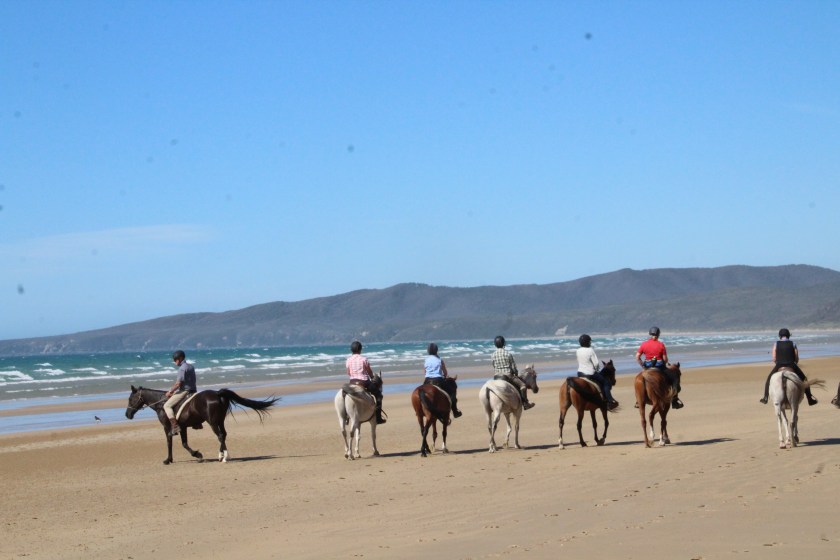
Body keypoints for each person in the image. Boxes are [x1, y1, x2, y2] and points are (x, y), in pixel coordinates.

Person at [759, 328, 817, 406]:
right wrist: (794, 363)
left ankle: (765, 398)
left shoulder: (776, 344)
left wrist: (778, 363)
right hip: (791, 365)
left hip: (779, 365)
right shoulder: (793, 344)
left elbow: (774, 358)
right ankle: (810, 399)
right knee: (805, 380)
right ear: (788, 335)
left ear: (780, 336)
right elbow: (796, 358)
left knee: (769, 379)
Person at [635, 326, 683, 409]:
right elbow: (665, 359)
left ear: (650, 334)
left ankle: (638, 400)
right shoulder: (661, 345)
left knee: (638, 379)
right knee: (674, 378)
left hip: (647, 366)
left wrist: (642, 365)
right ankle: (674, 400)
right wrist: (665, 363)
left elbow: (637, 357)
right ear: (658, 334)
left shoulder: (644, 344)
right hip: (659, 366)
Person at [346, 340, 386, 424]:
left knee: (345, 396)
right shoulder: (364, 359)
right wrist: (372, 378)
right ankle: (378, 418)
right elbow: (369, 373)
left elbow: (348, 373)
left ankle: (346, 417)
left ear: (351, 350)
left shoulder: (348, 360)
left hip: (352, 382)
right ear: (360, 349)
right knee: (379, 395)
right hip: (364, 382)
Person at [576, 334, 619, 410]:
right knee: (605, 382)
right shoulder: (590, 350)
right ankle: (610, 400)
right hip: (590, 373)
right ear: (587, 342)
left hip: (580, 373)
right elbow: (596, 363)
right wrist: (597, 370)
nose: (590, 343)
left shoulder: (578, 351)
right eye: (589, 341)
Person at [491, 335, 535, 410]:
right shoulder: (508, 354)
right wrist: (515, 373)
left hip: (496, 377)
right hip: (507, 376)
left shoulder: (492, 355)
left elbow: (494, 366)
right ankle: (525, 404)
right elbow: (514, 367)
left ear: (495, 344)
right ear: (503, 343)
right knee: (523, 386)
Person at [423, 342, 462, 418]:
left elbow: (425, 372)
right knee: (452, 394)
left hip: (427, 380)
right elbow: (445, 373)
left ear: (428, 351)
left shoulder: (426, 360)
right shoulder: (439, 360)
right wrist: (446, 376)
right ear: (436, 350)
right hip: (438, 380)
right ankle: (455, 411)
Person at [164, 350, 197, 436]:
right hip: (194, 390)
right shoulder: (191, 366)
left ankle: (175, 426)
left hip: (185, 391)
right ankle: (197, 423)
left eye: (176, 360)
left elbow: (178, 384)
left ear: (180, 358)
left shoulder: (182, 368)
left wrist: (170, 391)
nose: (175, 362)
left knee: (167, 406)